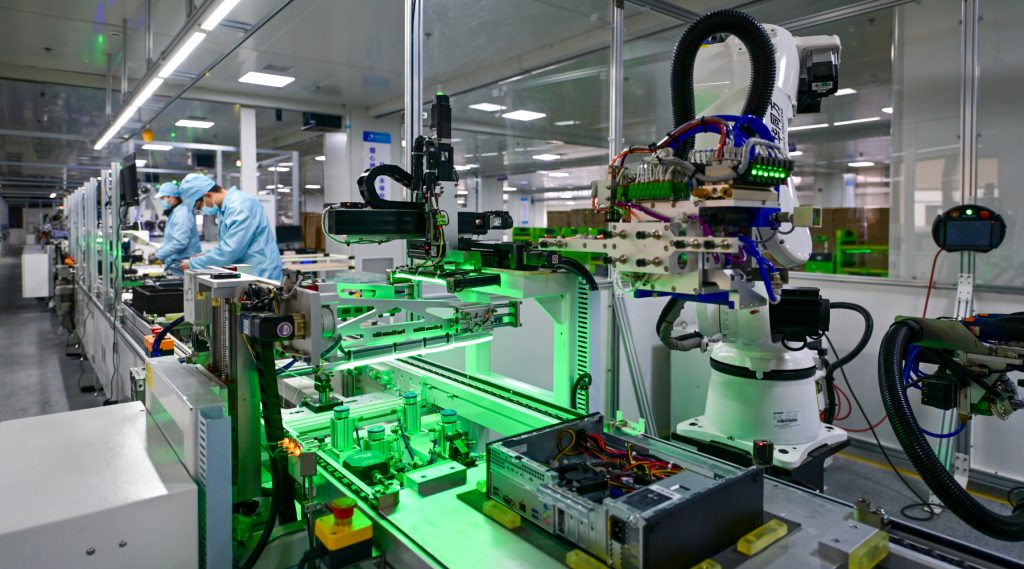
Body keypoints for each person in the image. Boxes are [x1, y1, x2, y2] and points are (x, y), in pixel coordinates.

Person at [178, 173, 282, 281]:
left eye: (199, 207)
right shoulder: (225, 209)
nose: (201, 211)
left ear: (207, 195)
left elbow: (230, 250)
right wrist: (205, 255)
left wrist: (193, 264)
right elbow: (227, 244)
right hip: (249, 271)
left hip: (263, 273)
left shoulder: (241, 205)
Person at [151, 181, 201, 275]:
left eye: (162, 198)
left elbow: (180, 242)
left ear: (172, 197)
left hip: (184, 263)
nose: (162, 201)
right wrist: (158, 252)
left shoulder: (182, 213)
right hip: (177, 262)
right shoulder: (175, 212)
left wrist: (158, 255)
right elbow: (170, 240)